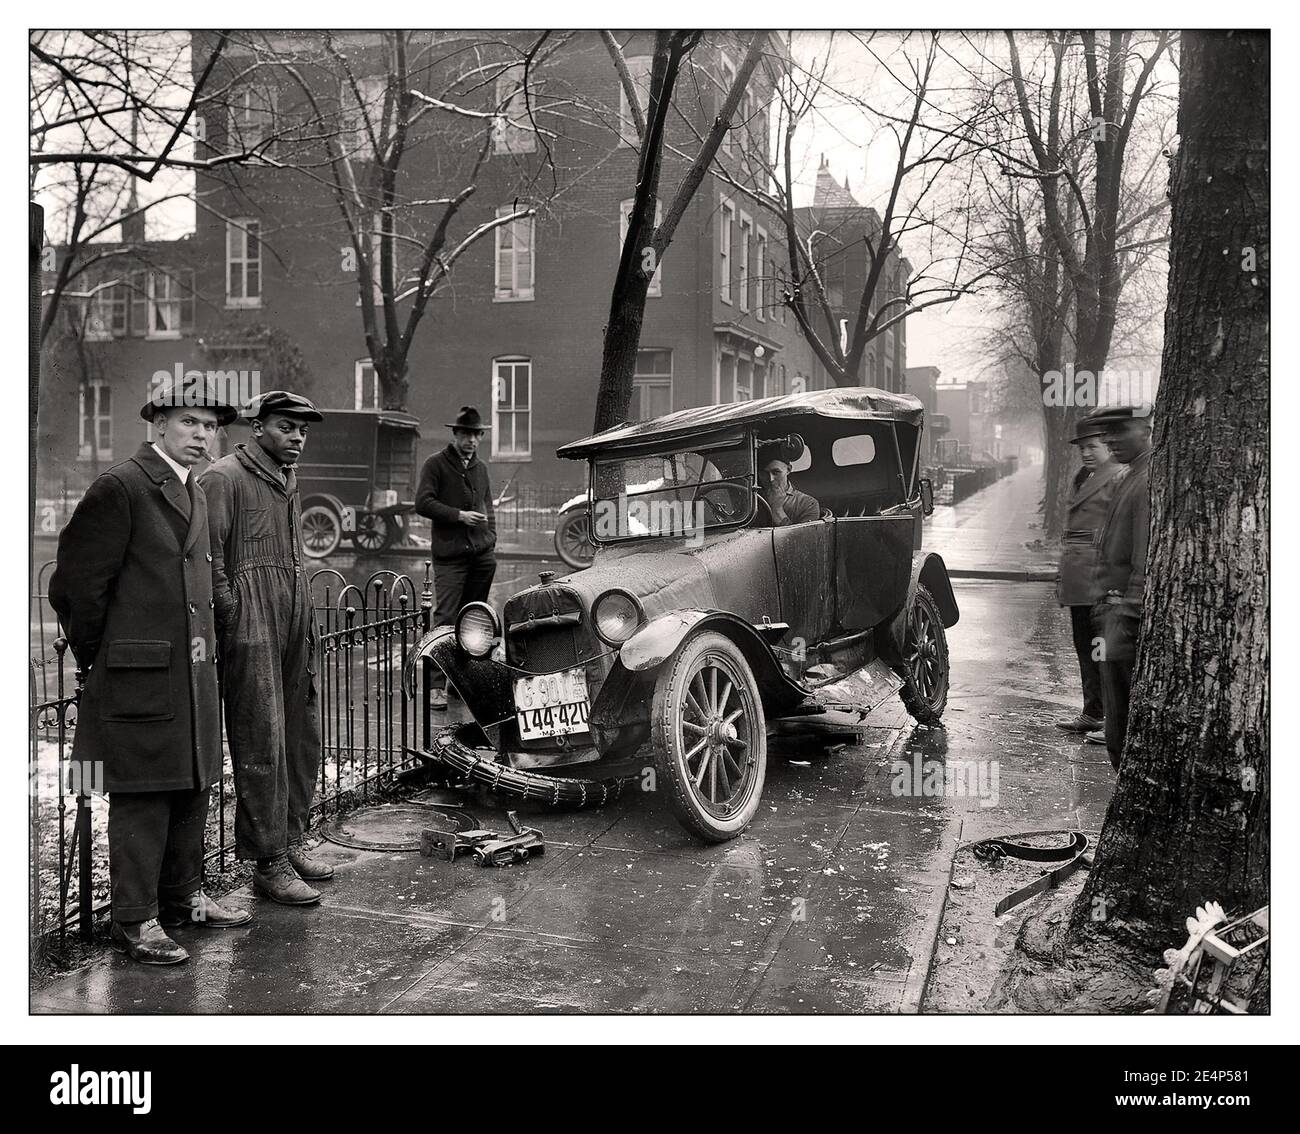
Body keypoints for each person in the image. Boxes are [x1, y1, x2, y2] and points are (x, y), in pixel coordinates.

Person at [49, 377, 251, 965]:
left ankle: (184, 897)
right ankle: (134, 921)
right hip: (138, 674)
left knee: (190, 781)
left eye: (211, 426)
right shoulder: (123, 487)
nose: (203, 434)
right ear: (157, 424)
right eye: (190, 422)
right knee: (140, 793)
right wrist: (103, 656)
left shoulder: (197, 489)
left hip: (189, 673)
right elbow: (76, 588)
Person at [200, 390, 329, 906]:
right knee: (261, 741)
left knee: (302, 736)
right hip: (252, 626)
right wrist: (232, 615)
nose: (297, 437)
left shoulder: (286, 478)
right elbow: (209, 561)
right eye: (285, 426)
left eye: (303, 429)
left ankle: (292, 838)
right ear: (256, 428)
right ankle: (267, 860)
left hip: (293, 618)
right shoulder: (224, 478)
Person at [1084, 405, 1154, 770]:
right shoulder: (1131, 474)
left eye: (1119, 429)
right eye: (1106, 432)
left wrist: (1129, 611)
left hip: (1125, 617)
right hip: (1113, 611)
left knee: (1122, 725)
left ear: (1144, 427)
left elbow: (1145, 552)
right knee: (1116, 718)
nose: (1110, 438)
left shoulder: (1147, 478)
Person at [415, 407, 498, 710]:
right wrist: (458, 516)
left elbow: (488, 508)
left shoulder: (481, 468)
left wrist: (491, 540)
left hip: (481, 556)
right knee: (446, 618)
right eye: (465, 434)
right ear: (455, 435)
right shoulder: (436, 464)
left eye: (476, 435)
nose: (471, 440)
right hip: (450, 557)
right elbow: (422, 502)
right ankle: (436, 685)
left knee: (475, 619)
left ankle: (461, 684)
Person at [1054, 417, 1124, 734]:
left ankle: (1112, 720)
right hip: (1078, 578)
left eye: (1092, 446)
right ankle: (1093, 711)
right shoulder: (1083, 476)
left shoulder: (1118, 477)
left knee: (1104, 651)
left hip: (1101, 578)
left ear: (1108, 445)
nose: (1086, 453)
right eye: (1082, 448)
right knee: (1084, 647)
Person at [758, 443, 819, 526]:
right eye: (764, 473)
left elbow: (800, 538)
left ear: (789, 469)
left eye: (776, 472)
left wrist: (777, 509)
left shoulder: (808, 504)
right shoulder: (751, 501)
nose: (771, 479)